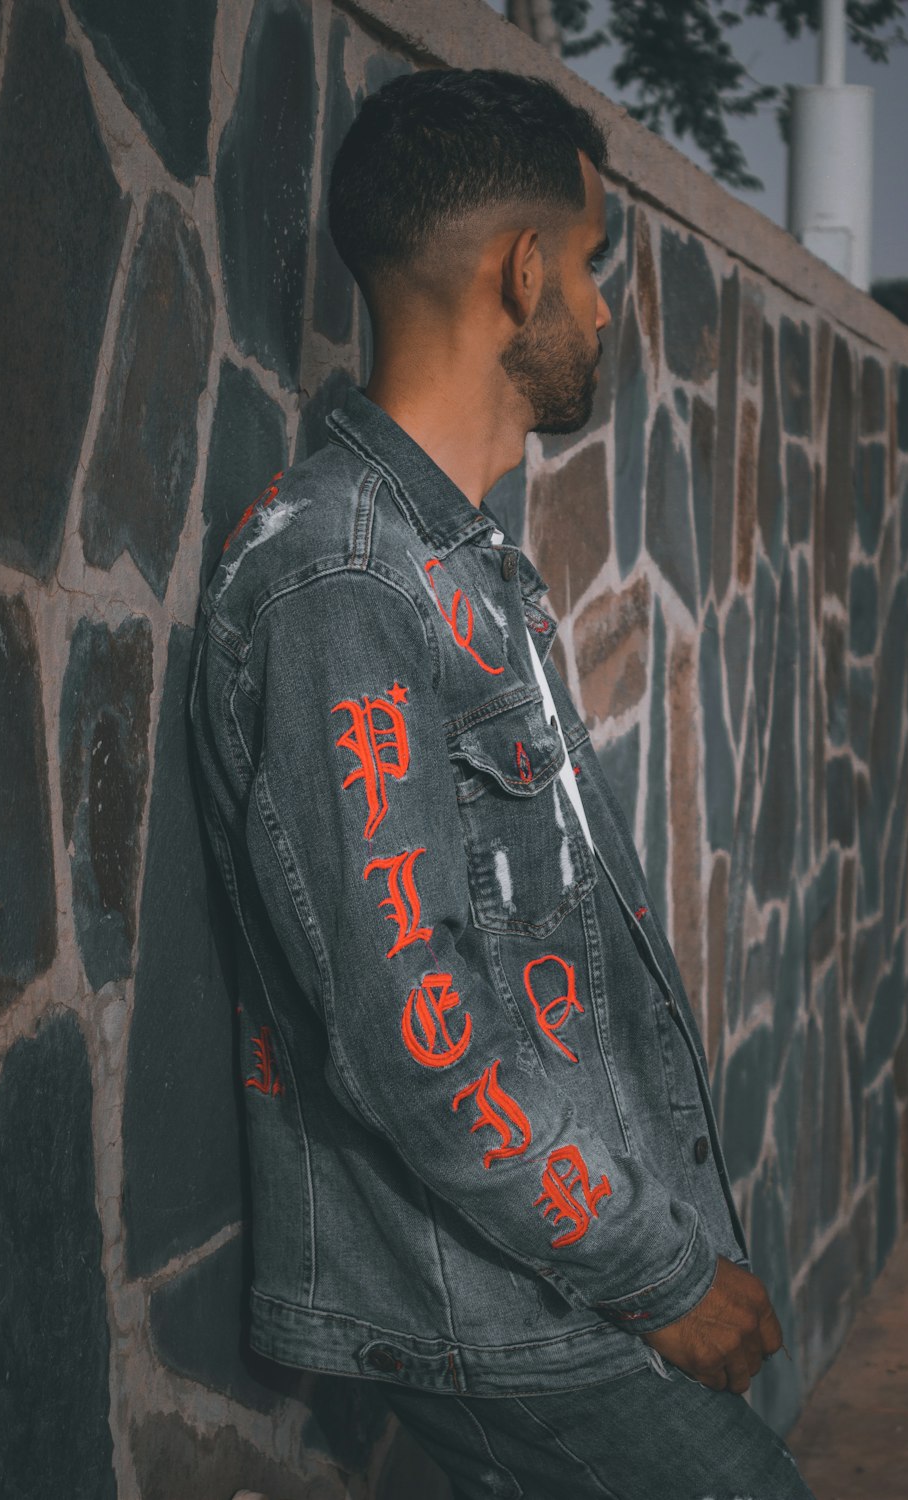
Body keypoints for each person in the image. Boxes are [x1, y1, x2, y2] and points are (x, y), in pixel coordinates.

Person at [189, 68, 815, 1500]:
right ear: (522, 268)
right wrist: (659, 1275)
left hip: (543, 1273)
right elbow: (420, 1033)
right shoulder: (342, 575)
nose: (601, 308)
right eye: (588, 265)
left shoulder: (455, 560)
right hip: (484, 1307)